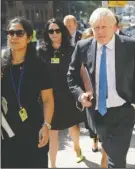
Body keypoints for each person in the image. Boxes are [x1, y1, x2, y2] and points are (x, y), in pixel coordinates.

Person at [67, 8, 135, 168]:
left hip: (124, 111)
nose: (100, 31)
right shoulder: (83, 46)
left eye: (104, 27)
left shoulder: (130, 45)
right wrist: (81, 95)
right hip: (97, 113)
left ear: (114, 26)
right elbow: (71, 77)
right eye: (96, 27)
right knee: (110, 155)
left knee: (116, 159)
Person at [1, 17, 54, 168]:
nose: (14, 37)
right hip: (6, 131)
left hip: (33, 129)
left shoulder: (38, 65)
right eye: (10, 33)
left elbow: (48, 99)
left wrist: (46, 126)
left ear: (29, 37)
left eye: (19, 33)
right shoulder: (1, 63)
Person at [38, 18, 85, 167]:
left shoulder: (72, 50)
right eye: (50, 31)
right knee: (52, 131)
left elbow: (80, 72)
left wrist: (82, 92)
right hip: (49, 96)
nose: (54, 33)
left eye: (57, 30)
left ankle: (77, 147)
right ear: (47, 33)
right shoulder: (42, 52)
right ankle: (52, 165)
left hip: (68, 94)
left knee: (73, 126)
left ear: (62, 32)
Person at [81, 27, 108, 168]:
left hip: (105, 101)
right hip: (89, 102)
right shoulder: (79, 59)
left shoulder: (105, 54)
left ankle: (104, 159)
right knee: (93, 127)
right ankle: (94, 141)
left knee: (105, 131)